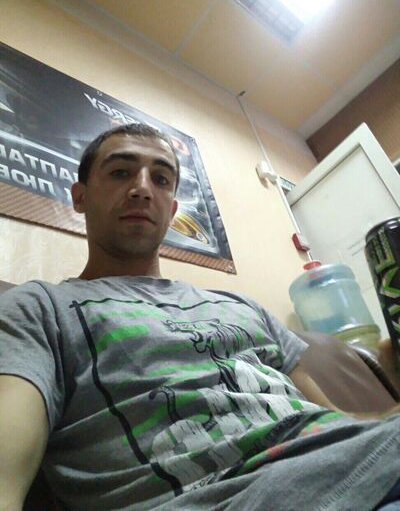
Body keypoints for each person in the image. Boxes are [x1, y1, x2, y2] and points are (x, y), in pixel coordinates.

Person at [0, 123, 399, 511]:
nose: (142, 188)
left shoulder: (243, 306)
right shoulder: (39, 308)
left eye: (161, 179)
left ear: (172, 210)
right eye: (121, 172)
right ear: (80, 196)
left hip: (370, 465)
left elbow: (339, 422)